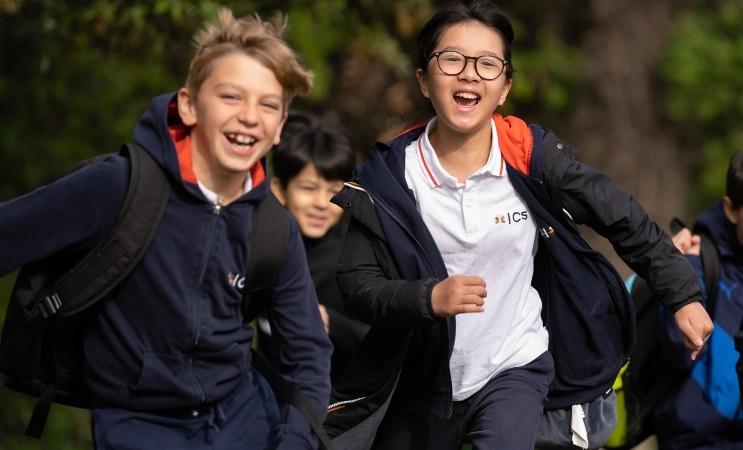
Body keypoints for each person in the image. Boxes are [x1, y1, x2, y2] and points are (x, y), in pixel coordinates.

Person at [329, 1, 713, 449]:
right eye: (451, 59)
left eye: (488, 64)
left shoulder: (531, 156)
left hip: (513, 368)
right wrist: (427, 297)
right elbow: (356, 285)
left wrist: (682, 295)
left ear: (504, 87)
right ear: (423, 80)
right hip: (419, 380)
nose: (469, 74)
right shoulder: (389, 178)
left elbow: (621, 216)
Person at [0, 8, 332, 450]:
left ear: (279, 130)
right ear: (189, 105)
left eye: (268, 104)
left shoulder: (272, 226)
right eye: (231, 97)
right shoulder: (120, 185)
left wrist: (293, 442)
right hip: (137, 425)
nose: (251, 116)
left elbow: (308, 353)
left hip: (243, 420)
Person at [261, 111, 369, 381]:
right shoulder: (261, 251)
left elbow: (383, 341)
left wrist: (327, 320)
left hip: (336, 409)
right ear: (279, 189)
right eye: (308, 188)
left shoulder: (358, 258)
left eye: (333, 190)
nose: (322, 202)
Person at [655, 150, 743, 449]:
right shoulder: (698, 259)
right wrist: (680, 275)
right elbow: (679, 348)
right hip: (700, 439)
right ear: (731, 209)